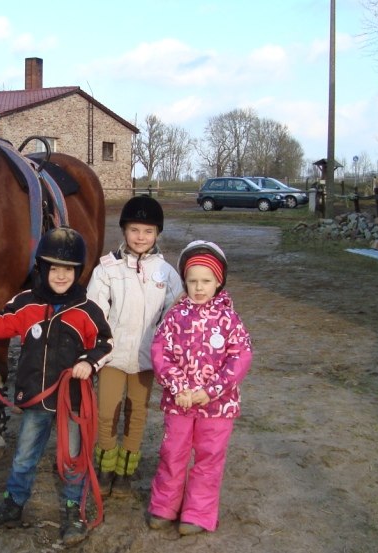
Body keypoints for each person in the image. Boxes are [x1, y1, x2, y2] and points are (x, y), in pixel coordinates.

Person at [0, 227, 113, 546]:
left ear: (77, 272)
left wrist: (88, 362)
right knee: (24, 457)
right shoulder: (26, 303)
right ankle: (14, 503)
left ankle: (74, 510)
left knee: (73, 460)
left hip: (70, 402)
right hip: (35, 400)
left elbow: (105, 343)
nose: (60, 275)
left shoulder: (87, 310)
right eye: (53, 268)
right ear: (42, 268)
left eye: (67, 269)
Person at [146, 240, 253, 536]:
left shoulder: (229, 319)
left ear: (218, 281)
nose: (199, 287)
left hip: (217, 405)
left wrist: (212, 389)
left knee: (209, 457)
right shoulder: (175, 317)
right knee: (172, 452)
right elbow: (160, 351)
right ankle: (165, 505)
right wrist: (178, 385)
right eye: (192, 281)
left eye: (206, 281)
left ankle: (198, 511)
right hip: (179, 401)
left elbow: (240, 356)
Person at [86, 195, 181, 497]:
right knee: (107, 412)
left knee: (137, 412)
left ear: (157, 234)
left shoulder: (167, 274)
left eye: (148, 231)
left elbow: (175, 315)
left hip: (146, 360)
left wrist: (166, 351)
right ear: (124, 231)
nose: (141, 237)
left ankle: (126, 470)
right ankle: (106, 466)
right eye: (135, 230)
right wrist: (95, 352)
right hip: (112, 357)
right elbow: (94, 312)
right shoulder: (106, 270)